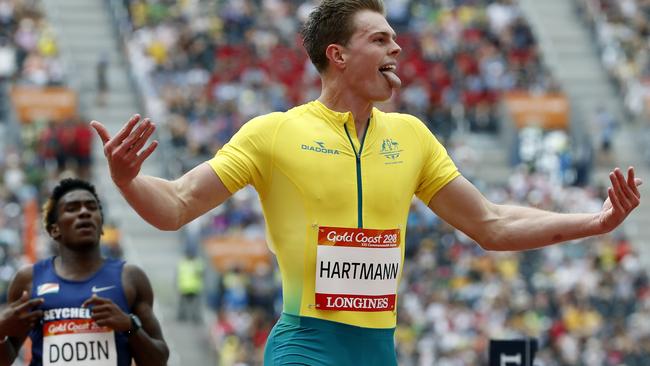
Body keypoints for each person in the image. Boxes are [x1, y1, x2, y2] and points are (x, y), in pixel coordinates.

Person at [90, 1, 642, 364]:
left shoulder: (413, 137)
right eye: (380, 40)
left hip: (380, 349)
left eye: (394, 40)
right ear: (338, 54)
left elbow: (492, 224)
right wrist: (128, 180)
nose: (397, 50)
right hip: (306, 346)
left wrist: (594, 222)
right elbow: (178, 204)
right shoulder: (273, 134)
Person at [0, 178, 169, 366]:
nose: (84, 212)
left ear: (101, 225)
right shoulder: (28, 280)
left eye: (91, 207)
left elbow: (159, 361)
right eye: (72, 208)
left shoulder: (130, 278)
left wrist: (130, 327)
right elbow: (7, 357)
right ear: (55, 229)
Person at [175, 249, 204, 323]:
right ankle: (182, 317)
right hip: (184, 287)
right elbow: (178, 275)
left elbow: (201, 274)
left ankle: (195, 318)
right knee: (183, 305)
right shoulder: (183, 263)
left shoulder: (197, 263)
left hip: (194, 288)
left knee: (195, 306)